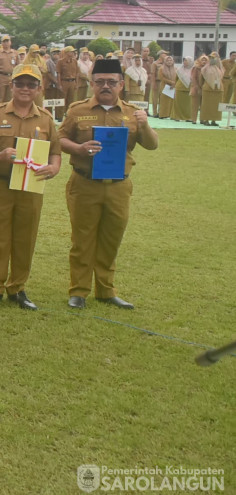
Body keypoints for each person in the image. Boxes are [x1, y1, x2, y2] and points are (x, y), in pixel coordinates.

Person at [58, 58, 158, 309]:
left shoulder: (132, 113)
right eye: (100, 81)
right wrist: (78, 149)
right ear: (91, 84)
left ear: (121, 84)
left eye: (111, 82)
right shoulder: (77, 110)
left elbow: (152, 144)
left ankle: (106, 290)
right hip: (85, 184)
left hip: (118, 186)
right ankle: (78, 291)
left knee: (111, 238)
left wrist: (144, 124)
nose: (106, 86)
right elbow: (58, 139)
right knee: (82, 239)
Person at [0, 63, 62, 311]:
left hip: (31, 187)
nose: (25, 88)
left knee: (25, 237)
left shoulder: (45, 119)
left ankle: (18, 288)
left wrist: (54, 168)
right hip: (0, 185)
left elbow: (55, 152)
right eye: (20, 83)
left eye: (31, 84)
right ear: (11, 86)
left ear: (38, 88)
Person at [0, 35, 18, 104]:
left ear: (10, 42)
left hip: (12, 77)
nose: (6, 43)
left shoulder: (15, 53)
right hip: (1, 77)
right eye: (4, 41)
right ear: (1, 43)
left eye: (7, 41)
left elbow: (18, 66)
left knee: (10, 97)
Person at [200, 53, 223, 126]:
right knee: (207, 105)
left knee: (216, 106)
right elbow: (201, 80)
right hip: (208, 89)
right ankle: (206, 120)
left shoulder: (219, 69)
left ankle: (214, 120)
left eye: (214, 58)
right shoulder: (205, 68)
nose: (213, 60)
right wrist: (202, 87)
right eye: (211, 58)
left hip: (218, 90)